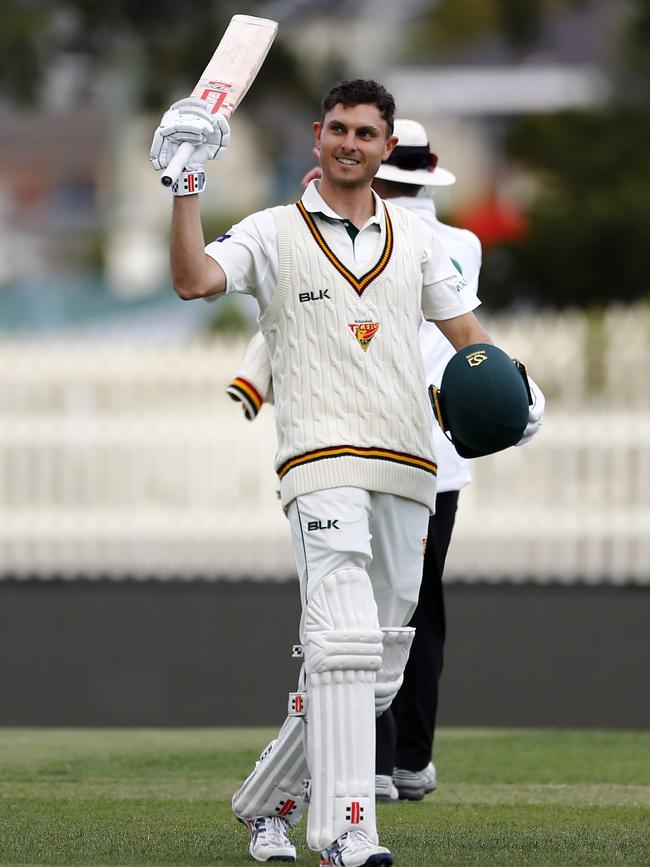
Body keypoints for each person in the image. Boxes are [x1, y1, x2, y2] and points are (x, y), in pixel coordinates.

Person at [149, 79, 525, 867]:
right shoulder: (270, 231)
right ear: (317, 135)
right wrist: (187, 187)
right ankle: (346, 830)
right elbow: (192, 279)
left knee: (376, 667)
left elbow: (466, 334)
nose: (350, 143)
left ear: (387, 149)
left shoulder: (421, 242)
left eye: (366, 133)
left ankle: (265, 804)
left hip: (409, 464)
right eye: (338, 129)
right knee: (345, 643)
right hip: (320, 459)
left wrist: (516, 388)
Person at [225, 119, 545, 806]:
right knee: (398, 617)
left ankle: (365, 767)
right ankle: (395, 762)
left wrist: (324, 205)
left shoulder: (429, 242)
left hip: (409, 449)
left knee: (368, 620)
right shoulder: (433, 237)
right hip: (422, 454)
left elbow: (453, 326)